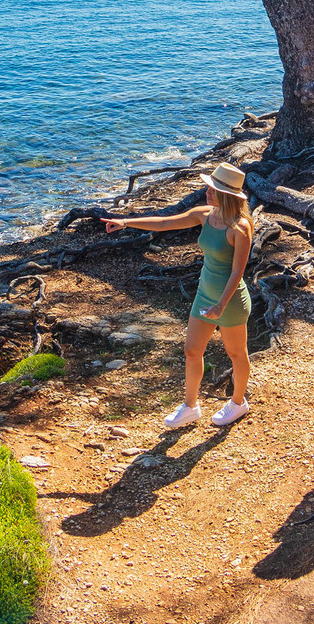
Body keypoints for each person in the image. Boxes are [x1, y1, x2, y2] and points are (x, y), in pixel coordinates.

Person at [103, 159, 253, 432]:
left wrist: (220, 305)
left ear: (227, 195)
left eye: (212, 189)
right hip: (205, 294)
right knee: (192, 350)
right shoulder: (205, 215)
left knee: (236, 353)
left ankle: (238, 402)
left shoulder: (239, 228)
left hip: (229, 301)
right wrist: (125, 222)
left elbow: (236, 273)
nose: (206, 192)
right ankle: (190, 407)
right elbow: (164, 222)